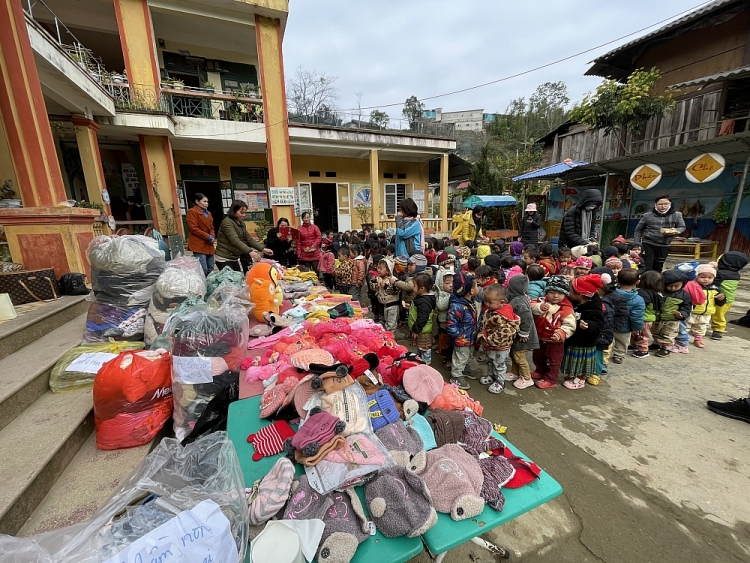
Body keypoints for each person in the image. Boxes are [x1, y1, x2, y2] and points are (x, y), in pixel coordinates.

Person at [530, 276, 577, 389]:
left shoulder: (566, 309)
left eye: (560, 293)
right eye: (552, 292)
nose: (555, 296)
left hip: (554, 341)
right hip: (540, 338)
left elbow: (570, 325)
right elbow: (531, 306)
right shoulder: (541, 301)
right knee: (538, 357)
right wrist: (539, 308)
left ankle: (550, 379)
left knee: (553, 361)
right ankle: (540, 371)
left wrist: (561, 332)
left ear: (565, 294)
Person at [562, 274, 605, 390]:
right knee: (574, 360)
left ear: (580, 295)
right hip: (575, 340)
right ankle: (572, 374)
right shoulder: (577, 303)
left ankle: (580, 380)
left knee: (581, 363)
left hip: (585, 343)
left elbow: (600, 325)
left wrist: (589, 325)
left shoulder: (594, 309)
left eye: (571, 290)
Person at [476, 284, 521, 394]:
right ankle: (491, 376)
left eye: (490, 302)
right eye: (485, 301)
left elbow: (504, 333)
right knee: (489, 361)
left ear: (502, 302)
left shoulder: (503, 316)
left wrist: (489, 339)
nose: (487, 304)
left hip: (500, 346)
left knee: (499, 364)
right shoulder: (490, 311)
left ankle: (500, 381)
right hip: (489, 344)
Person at [633, 196, 686, 272]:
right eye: (660, 204)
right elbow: (638, 230)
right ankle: (645, 282)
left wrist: (675, 231)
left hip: (664, 245)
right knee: (647, 266)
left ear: (670, 204)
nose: (663, 206)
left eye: (666, 204)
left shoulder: (677, 215)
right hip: (648, 243)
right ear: (655, 205)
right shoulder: (647, 216)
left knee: (658, 267)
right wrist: (637, 243)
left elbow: (682, 227)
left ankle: (655, 282)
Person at [446, 272, 479, 390]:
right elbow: (451, 323)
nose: (478, 288)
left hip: (470, 337)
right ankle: (456, 375)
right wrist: (458, 334)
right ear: (470, 290)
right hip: (462, 338)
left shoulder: (471, 301)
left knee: (468, 355)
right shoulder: (457, 306)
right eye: (476, 286)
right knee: (460, 357)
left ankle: (464, 369)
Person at [505, 275, 539, 387]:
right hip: (518, 334)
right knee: (514, 354)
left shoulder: (519, 301)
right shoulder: (517, 298)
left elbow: (527, 318)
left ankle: (527, 378)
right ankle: (515, 373)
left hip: (524, 336)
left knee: (519, 356)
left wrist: (524, 332)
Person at [215, 201, 268, 272]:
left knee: (238, 279)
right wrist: (250, 252)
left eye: (245, 213)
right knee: (230, 281)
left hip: (234, 257)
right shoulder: (227, 223)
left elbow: (248, 239)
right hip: (224, 258)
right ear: (233, 211)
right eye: (241, 213)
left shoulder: (241, 223)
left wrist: (263, 249)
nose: (244, 215)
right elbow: (235, 240)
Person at [652, 270, 692, 357]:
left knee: (668, 335)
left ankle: (666, 348)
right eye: (669, 286)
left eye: (676, 286)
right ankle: (657, 343)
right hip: (658, 317)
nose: (673, 288)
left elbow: (686, 307)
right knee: (656, 332)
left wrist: (682, 314)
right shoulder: (659, 292)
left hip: (672, 319)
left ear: (683, 284)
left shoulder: (684, 295)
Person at [711, 251, 749, 340]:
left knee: (718, 316)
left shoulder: (721, 274)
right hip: (729, 300)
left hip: (720, 300)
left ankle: (718, 331)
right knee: (720, 315)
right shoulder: (735, 274)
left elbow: (711, 283)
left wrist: (710, 268)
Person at [611, 268, 645, 364]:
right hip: (625, 326)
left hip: (609, 324)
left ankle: (605, 354)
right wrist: (637, 328)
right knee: (622, 342)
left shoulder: (609, 294)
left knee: (608, 340)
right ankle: (618, 355)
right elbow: (637, 316)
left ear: (617, 280)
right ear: (638, 282)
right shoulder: (639, 300)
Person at [688, 264, 721, 348]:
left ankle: (698, 340)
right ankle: (680, 339)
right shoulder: (693, 286)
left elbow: (719, 303)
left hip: (706, 312)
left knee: (701, 327)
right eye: (702, 277)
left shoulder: (715, 288)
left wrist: (721, 299)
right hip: (693, 311)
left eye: (710, 278)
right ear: (697, 276)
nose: (706, 279)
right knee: (686, 326)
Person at [409, 272, 437, 365]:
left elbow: (423, 317)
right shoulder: (421, 298)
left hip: (422, 331)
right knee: (421, 350)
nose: (413, 288)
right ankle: (419, 363)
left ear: (422, 288)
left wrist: (415, 330)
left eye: (414, 286)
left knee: (425, 353)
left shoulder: (424, 302)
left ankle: (425, 369)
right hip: (421, 330)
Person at [186, 192, 216, 276]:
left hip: (209, 244)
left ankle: (210, 287)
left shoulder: (208, 213)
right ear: (197, 201)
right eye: (204, 201)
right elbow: (193, 228)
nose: (207, 203)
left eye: (207, 201)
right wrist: (208, 237)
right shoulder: (192, 212)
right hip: (199, 243)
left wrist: (212, 236)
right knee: (203, 269)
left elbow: (211, 227)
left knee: (211, 269)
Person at [435, 267, 455, 369]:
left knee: (451, 342)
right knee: (444, 341)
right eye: (447, 283)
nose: (451, 285)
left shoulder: (453, 293)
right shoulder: (441, 294)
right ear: (440, 284)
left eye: (453, 282)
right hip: (443, 323)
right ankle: (445, 358)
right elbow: (441, 306)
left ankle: (450, 356)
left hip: (453, 323)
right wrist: (451, 297)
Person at [376, 258, 401, 332]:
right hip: (385, 305)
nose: (378, 270)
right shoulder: (379, 278)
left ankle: (391, 338)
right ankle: (388, 335)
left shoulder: (392, 279)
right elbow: (375, 289)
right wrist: (373, 282)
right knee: (387, 322)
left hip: (392, 306)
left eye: (381, 269)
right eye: (378, 268)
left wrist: (385, 286)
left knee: (391, 324)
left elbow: (395, 290)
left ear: (388, 271)